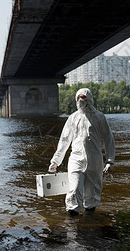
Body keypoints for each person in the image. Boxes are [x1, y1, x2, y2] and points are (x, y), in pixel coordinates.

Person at [48, 88, 115, 217]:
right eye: (78, 97)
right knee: (73, 189)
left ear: (89, 99)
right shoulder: (73, 118)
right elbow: (64, 140)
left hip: (94, 161)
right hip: (76, 159)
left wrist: (109, 161)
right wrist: (55, 161)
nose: (80, 100)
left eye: (83, 97)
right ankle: (72, 220)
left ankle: (89, 222)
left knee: (93, 193)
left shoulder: (99, 117)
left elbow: (108, 139)